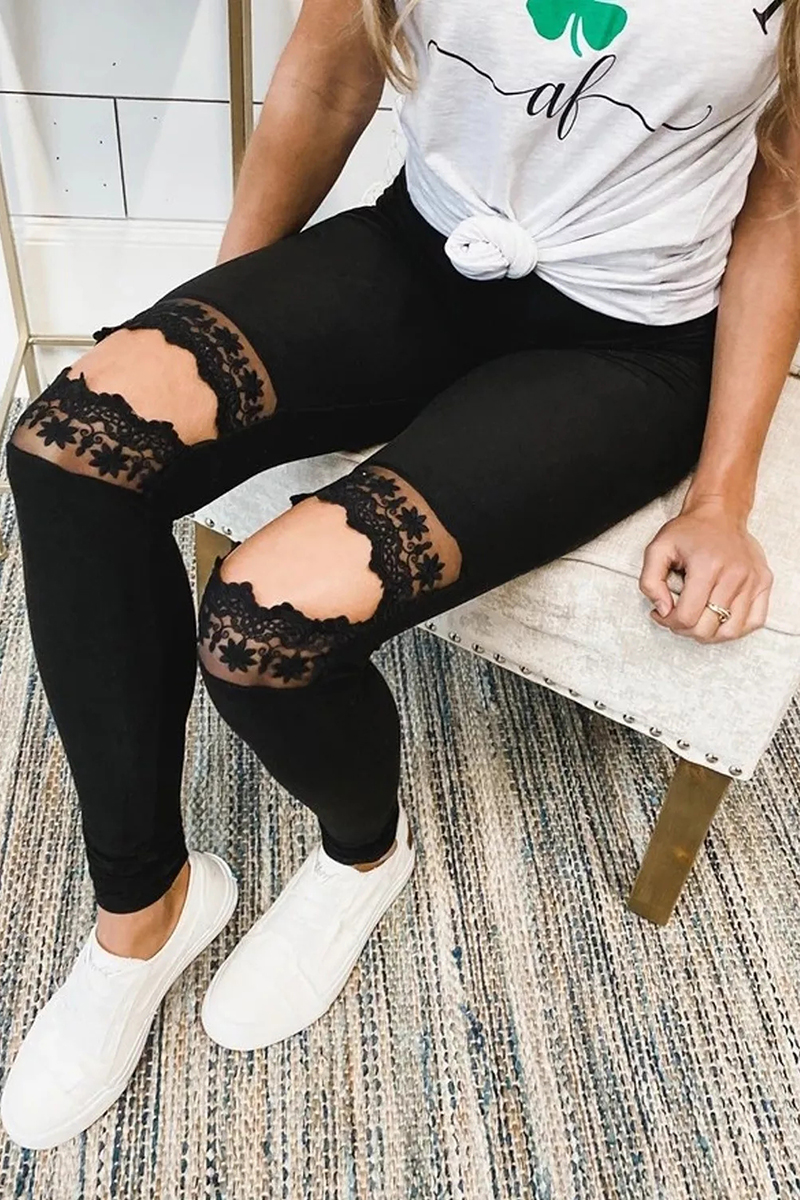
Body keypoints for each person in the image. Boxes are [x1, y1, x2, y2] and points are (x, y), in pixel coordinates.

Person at [0, 0, 794, 1152]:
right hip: (418, 255)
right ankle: (143, 908)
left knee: (261, 629)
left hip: (621, 342)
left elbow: (780, 197)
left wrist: (721, 496)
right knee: (66, 452)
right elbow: (327, 76)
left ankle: (362, 853)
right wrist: (227, 324)